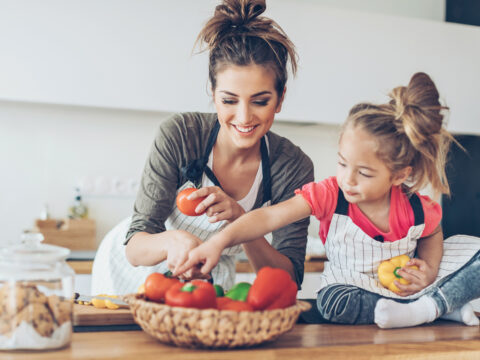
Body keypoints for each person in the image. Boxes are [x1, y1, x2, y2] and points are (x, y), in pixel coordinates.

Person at [175, 72, 480, 328]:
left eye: (363, 172)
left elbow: (432, 232)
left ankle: (425, 308)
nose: (348, 178)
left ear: (399, 175)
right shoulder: (330, 193)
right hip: (353, 289)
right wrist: (217, 242)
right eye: (343, 163)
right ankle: (439, 309)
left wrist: (428, 266)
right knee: (332, 304)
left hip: (406, 290)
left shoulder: (415, 206)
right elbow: (268, 218)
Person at [91, 0, 313, 295]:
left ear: (280, 98)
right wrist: (173, 240)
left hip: (207, 280)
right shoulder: (182, 134)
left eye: (260, 101)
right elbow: (135, 246)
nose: (244, 117)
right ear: (213, 94)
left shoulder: (292, 166)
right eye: (229, 100)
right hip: (129, 272)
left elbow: (289, 279)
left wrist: (242, 221)